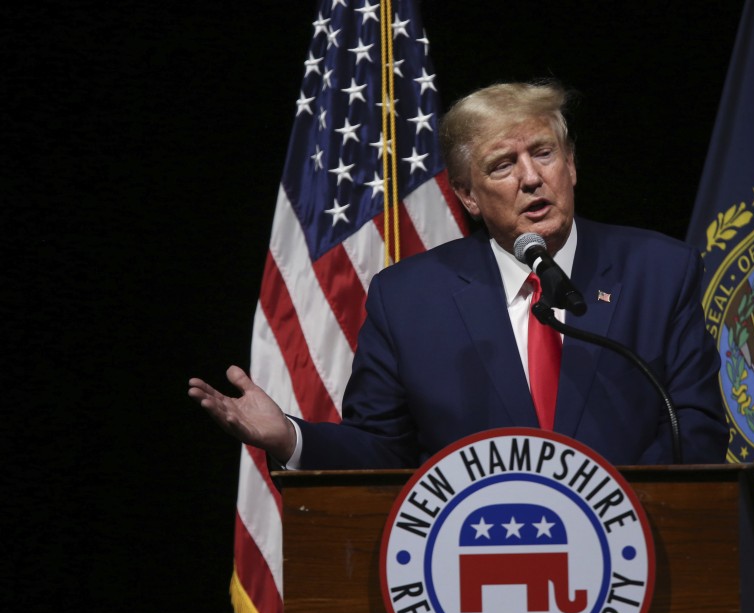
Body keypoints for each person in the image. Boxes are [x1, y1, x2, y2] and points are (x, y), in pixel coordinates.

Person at [188, 80, 727, 469]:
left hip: (634, 557)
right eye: (503, 165)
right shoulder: (409, 299)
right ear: (467, 196)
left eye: (544, 153)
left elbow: (695, 428)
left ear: (572, 165)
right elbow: (382, 447)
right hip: (473, 572)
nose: (532, 178)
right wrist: (288, 437)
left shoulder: (660, 270)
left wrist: (604, 511)